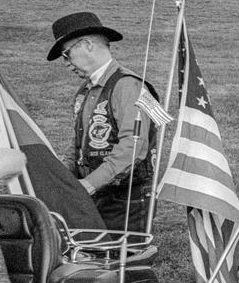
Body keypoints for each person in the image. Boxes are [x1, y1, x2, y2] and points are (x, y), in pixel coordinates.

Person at [47, 12, 158, 233]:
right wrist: (60, 177)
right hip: (96, 193)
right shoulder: (85, 91)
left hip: (126, 199)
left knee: (120, 261)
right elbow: (79, 143)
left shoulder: (128, 86)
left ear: (87, 44)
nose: (66, 64)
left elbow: (133, 148)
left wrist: (88, 184)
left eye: (66, 54)